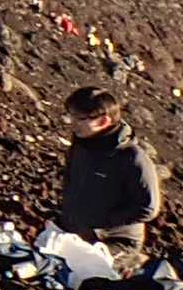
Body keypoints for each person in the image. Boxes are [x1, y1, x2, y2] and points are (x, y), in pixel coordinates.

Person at [53, 84, 166, 269]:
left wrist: (101, 225)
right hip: (76, 232)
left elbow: (148, 207)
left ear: (103, 121)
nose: (71, 122)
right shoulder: (82, 144)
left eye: (79, 118)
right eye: (71, 115)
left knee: (80, 272)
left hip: (115, 242)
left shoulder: (132, 158)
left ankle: (133, 265)